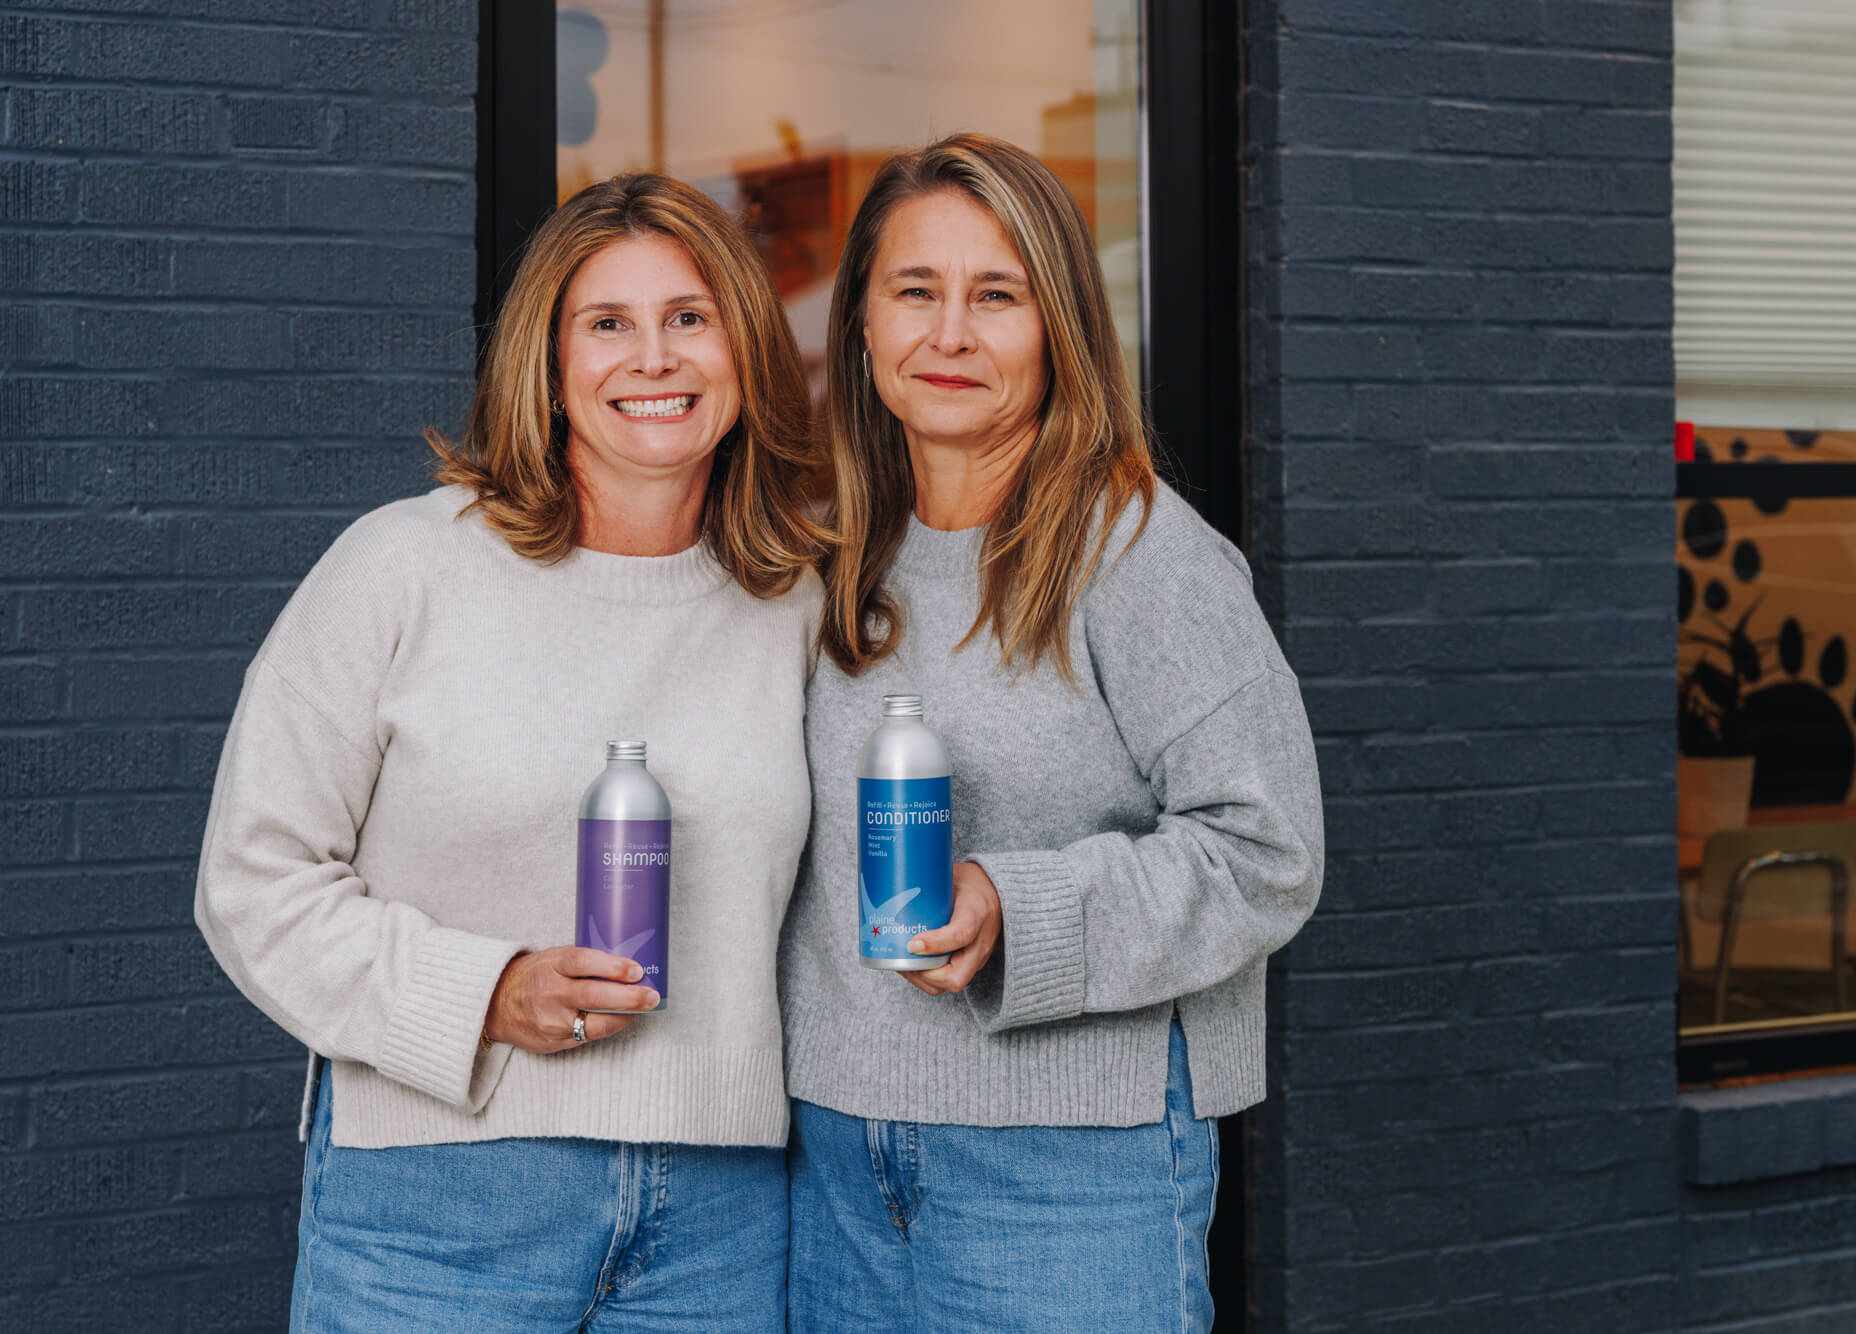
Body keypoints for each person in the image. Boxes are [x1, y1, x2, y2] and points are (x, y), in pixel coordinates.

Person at [194, 173, 824, 1331]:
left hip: (723, 1216)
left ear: (743, 345)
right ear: (547, 358)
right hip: (439, 1201)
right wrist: (482, 992)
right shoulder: (400, 568)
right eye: (607, 324)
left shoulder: (794, 601)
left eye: (691, 317)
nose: (655, 358)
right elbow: (252, 881)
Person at [779, 133, 1324, 1332]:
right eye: (913, 291)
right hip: (834, 1159)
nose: (950, 334)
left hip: (1070, 1169)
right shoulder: (826, 556)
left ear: (1059, 329)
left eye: (997, 295)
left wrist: (1017, 905)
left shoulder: (1137, 556)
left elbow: (1267, 850)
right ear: (861, 327)